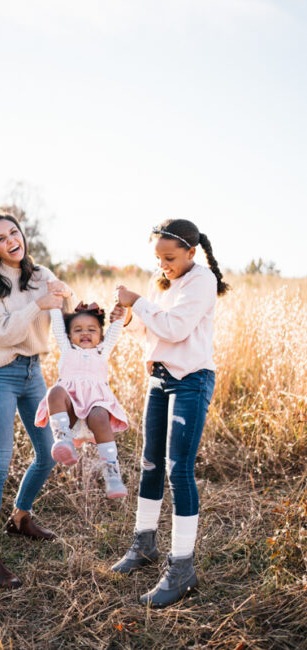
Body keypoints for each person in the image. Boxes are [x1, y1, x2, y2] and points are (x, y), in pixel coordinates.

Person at [111, 218, 229, 608]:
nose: (163, 265)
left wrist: (138, 303)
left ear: (191, 252)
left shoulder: (202, 280)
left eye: (170, 258)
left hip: (191, 380)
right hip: (159, 378)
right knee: (150, 463)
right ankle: (144, 545)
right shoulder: (160, 281)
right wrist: (126, 317)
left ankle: (182, 569)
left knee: (178, 470)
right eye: (158, 258)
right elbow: (151, 331)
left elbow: (175, 329)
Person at [0, 207, 75, 588]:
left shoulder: (40, 274)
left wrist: (67, 296)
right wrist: (37, 305)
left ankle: (21, 517)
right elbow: (1, 335)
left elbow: (67, 311)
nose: (11, 240)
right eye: (1, 238)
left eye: (14, 232)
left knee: (47, 453)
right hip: (1, 374)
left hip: (33, 372)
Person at [34, 302, 129, 498]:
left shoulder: (103, 350)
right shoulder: (67, 350)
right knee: (55, 392)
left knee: (99, 413)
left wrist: (123, 307)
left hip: (96, 417)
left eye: (92, 330)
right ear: (69, 336)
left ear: (101, 335)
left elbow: (116, 326)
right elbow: (58, 325)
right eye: (78, 330)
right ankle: (63, 440)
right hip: (71, 416)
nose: (85, 333)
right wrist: (55, 301)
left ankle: (112, 475)